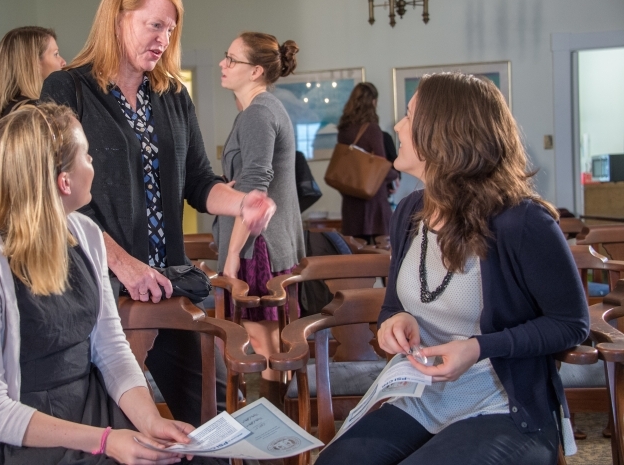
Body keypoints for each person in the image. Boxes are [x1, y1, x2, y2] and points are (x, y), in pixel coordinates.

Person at [40, 0, 275, 427]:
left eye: (170, 29)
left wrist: (242, 202)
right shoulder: (68, 89)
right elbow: (52, 199)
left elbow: (199, 183)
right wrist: (124, 265)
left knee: (217, 412)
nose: (164, 39)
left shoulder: (171, 95)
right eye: (154, 25)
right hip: (97, 286)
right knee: (107, 425)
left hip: (164, 283)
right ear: (117, 19)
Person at [315, 72, 589, 465]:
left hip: (502, 404)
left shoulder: (522, 220)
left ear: (444, 134)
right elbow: (394, 306)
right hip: (422, 398)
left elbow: (571, 323)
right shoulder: (410, 211)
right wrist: (394, 322)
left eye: (409, 116)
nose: (396, 126)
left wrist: (478, 347)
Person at [0, 103, 197, 465]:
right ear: (64, 181)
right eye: (87, 156)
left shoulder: (87, 234)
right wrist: (107, 442)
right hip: (17, 438)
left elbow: (111, 350)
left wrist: (150, 421)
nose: (94, 165)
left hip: (93, 414)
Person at [214, 32, 305, 405]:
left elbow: (255, 191)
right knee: (268, 341)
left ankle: (271, 436)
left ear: (255, 71)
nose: (223, 64)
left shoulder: (257, 114)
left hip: (256, 248)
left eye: (231, 59)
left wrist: (233, 255)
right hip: (270, 244)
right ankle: (274, 428)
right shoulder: (268, 109)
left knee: (262, 342)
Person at [336, 82, 398, 244]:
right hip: (373, 199)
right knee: (381, 251)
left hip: (351, 199)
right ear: (373, 102)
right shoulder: (372, 129)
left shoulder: (344, 130)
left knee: (356, 250)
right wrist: (395, 175)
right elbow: (380, 165)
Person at [0, 26, 66, 121]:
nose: (63, 62)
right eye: (56, 54)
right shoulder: (34, 115)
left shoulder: (11, 111)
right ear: (33, 62)